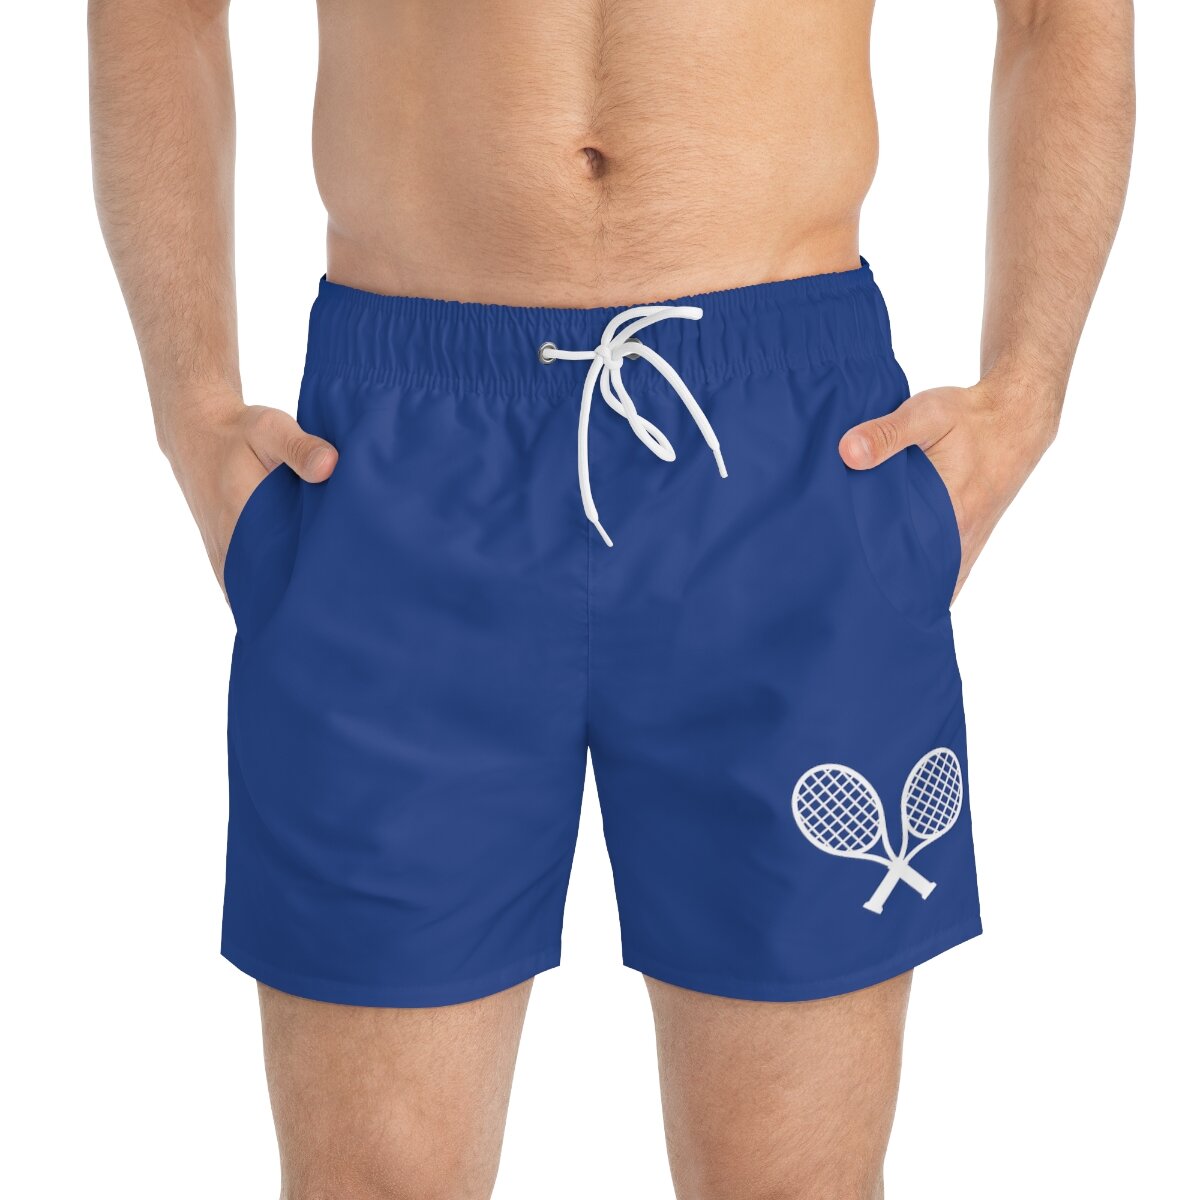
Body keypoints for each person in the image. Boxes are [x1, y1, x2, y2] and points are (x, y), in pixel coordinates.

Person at [88, 1, 1134, 1196]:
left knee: (791, 1182)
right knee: (373, 1178)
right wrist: (190, 403)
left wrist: (1028, 387)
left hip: (787, 449)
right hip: (402, 452)